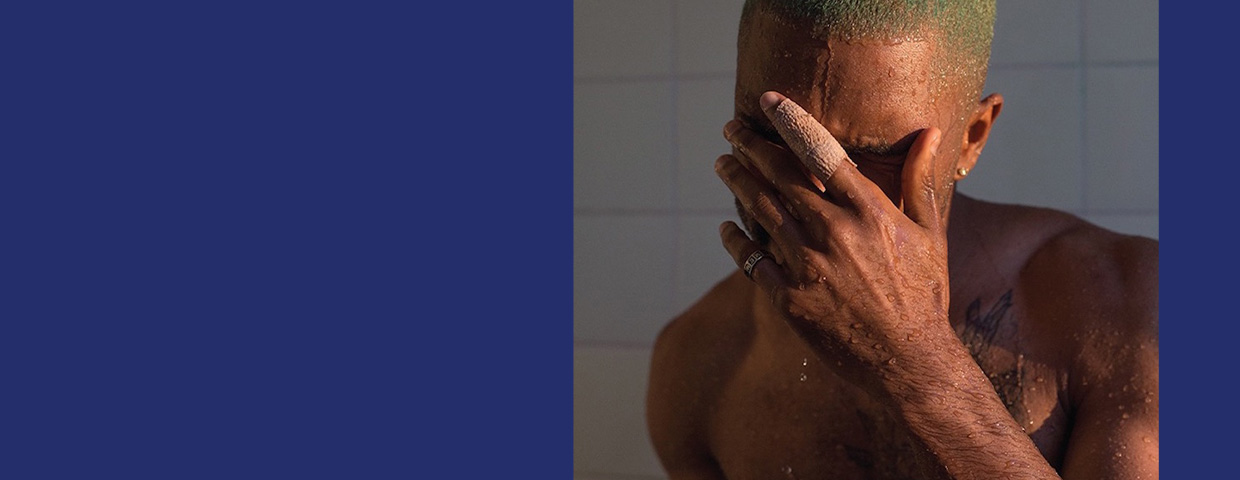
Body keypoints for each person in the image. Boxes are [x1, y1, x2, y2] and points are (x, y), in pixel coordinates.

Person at [645, 1, 1158, 479]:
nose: (811, 184)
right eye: (773, 134)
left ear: (972, 137)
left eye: (870, 155)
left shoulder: (1129, 308)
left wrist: (918, 364)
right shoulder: (697, 359)